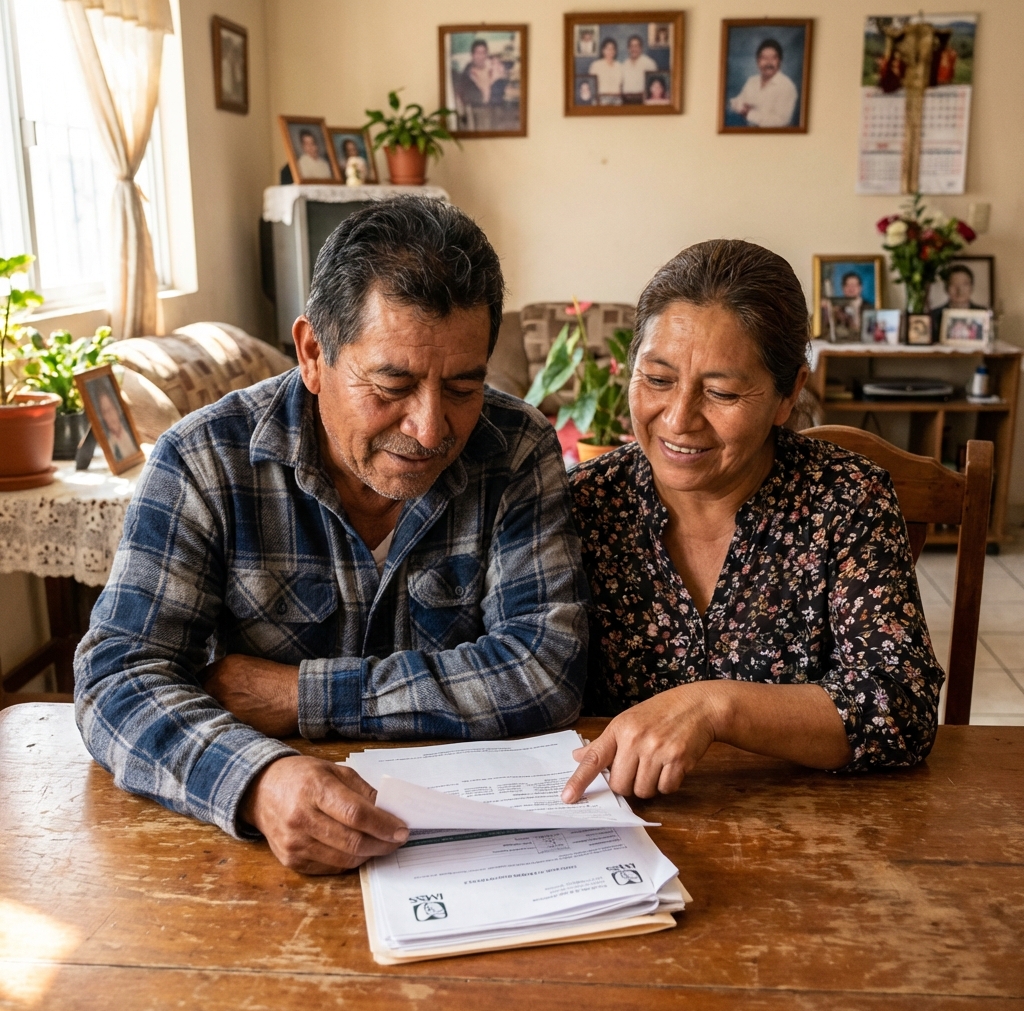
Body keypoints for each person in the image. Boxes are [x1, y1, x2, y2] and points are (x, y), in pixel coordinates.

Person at [75, 196, 589, 874]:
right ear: (313, 353)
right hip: (255, 869)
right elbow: (118, 676)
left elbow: (545, 668)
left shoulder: (516, 447)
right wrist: (258, 781)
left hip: (474, 850)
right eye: (392, 385)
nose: (430, 429)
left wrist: (298, 695)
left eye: (464, 388)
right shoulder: (204, 461)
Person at [562, 238, 943, 806]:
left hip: (803, 824)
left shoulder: (846, 499)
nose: (679, 419)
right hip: (607, 819)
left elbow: (901, 706)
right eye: (658, 380)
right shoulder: (584, 503)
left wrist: (715, 706)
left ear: (789, 394)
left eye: (722, 392)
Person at [728, 39, 799, 128]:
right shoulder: (752, 81)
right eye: (764, 58)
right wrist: (741, 107)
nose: (769, 63)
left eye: (773, 58)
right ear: (758, 61)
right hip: (748, 133)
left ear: (780, 61)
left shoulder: (787, 86)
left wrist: (749, 113)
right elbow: (735, 103)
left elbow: (781, 122)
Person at [930, 264, 985, 340]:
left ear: (971, 287)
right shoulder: (934, 316)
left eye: (965, 284)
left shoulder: (983, 314)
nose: (960, 290)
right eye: (954, 284)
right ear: (946, 288)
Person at [96, 386, 138, 462]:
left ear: (117, 409)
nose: (110, 415)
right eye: (105, 412)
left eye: (111, 408)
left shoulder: (132, 434)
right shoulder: (109, 446)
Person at [621, 34, 658, 103]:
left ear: (641, 48)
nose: (634, 49)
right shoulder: (624, 65)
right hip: (626, 101)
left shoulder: (649, 64)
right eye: (631, 46)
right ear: (628, 49)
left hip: (642, 101)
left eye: (636, 46)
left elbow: (654, 85)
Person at [589, 38, 624, 104]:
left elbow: (621, 85)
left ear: (615, 51)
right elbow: (591, 86)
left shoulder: (619, 66)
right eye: (607, 49)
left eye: (612, 48)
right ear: (603, 50)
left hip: (617, 99)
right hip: (601, 99)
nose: (610, 51)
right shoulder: (596, 65)